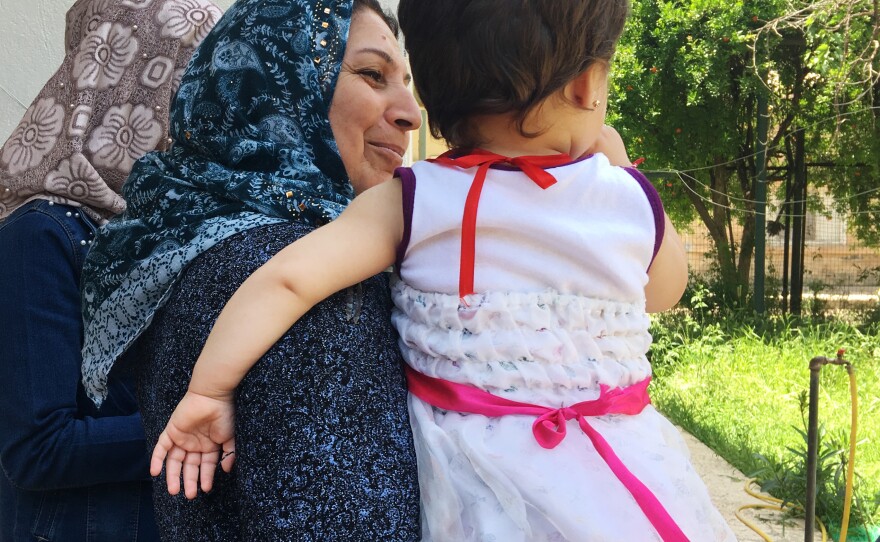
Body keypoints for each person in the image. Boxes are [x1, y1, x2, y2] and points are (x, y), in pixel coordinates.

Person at [150, 1, 741, 541]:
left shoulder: (414, 199)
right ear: (588, 85)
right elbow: (665, 290)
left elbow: (288, 280)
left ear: (430, 97)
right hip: (619, 476)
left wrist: (208, 388)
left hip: (475, 482)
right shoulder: (623, 198)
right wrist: (619, 170)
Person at [79, 0, 424, 539]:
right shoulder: (312, 280)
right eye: (372, 75)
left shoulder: (185, 242)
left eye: (407, 83)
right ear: (282, 83)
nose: (410, 112)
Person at [0, 0, 221, 540]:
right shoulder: (42, 236)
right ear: (135, 93)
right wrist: (198, 429)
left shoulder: (147, 236)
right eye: (195, 91)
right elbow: (38, 449)